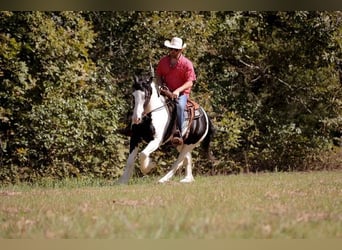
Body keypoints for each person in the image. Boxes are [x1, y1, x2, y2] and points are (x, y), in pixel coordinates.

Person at [156, 37, 196, 146]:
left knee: (179, 106)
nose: (173, 51)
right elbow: (158, 75)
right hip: (166, 90)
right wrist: (159, 85)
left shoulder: (187, 64)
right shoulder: (163, 61)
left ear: (181, 50)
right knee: (146, 99)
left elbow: (190, 82)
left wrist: (178, 90)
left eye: (176, 50)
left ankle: (178, 132)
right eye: (171, 49)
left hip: (182, 93)